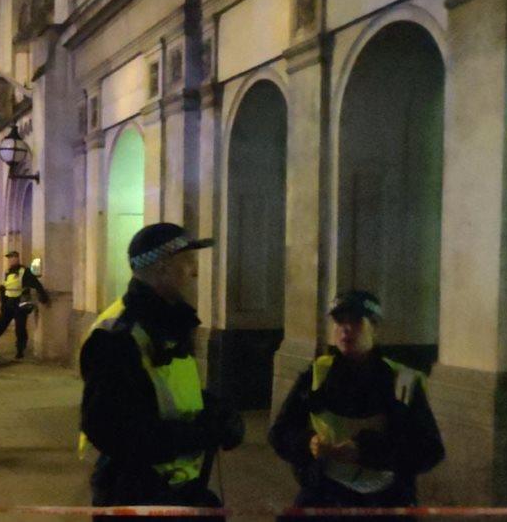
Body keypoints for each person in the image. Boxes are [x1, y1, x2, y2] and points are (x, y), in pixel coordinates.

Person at [79, 223, 243, 521]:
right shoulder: (118, 335)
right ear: (163, 267)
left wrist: (213, 410)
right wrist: (199, 434)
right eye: (188, 261)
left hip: (178, 487)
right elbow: (110, 428)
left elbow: (164, 393)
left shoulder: (168, 323)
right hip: (137, 492)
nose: (195, 271)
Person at [268, 290, 445, 520]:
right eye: (340, 322)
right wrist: (308, 443)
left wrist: (367, 452)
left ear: (375, 328)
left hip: (385, 500)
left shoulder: (402, 381)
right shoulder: (316, 375)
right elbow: (280, 433)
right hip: (325, 493)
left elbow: (430, 450)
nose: (346, 329)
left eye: (356, 321)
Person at [0, 251, 49, 360]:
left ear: (17, 258)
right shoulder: (8, 272)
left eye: (12, 257)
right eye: (9, 258)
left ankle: (20, 351)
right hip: (9, 304)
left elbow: (36, 284)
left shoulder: (24, 271)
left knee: (20, 329)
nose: (10, 260)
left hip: (20, 304)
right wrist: (3, 303)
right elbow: (3, 288)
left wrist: (43, 296)